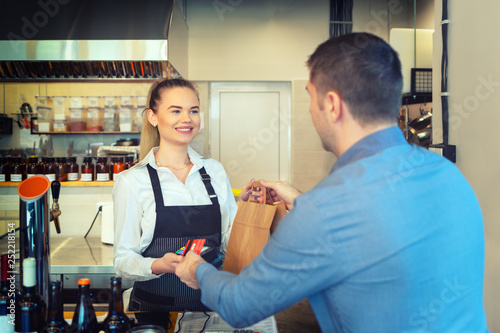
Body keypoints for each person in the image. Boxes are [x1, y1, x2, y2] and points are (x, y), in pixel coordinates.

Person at [175, 33, 489, 332]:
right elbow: (373, 223)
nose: (311, 111)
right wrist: (300, 200)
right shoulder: (447, 173)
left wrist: (197, 270)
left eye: (311, 98)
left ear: (333, 105)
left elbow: (239, 305)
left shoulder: (325, 211)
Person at [113, 78, 237, 311]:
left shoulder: (214, 171)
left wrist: (252, 213)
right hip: (153, 313)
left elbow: (230, 243)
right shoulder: (132, 181)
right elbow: (122, 262)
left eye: (193, 110)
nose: (187, 119)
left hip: (211, 308)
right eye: (176, 111)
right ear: (153, 117)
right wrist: (158, 265)